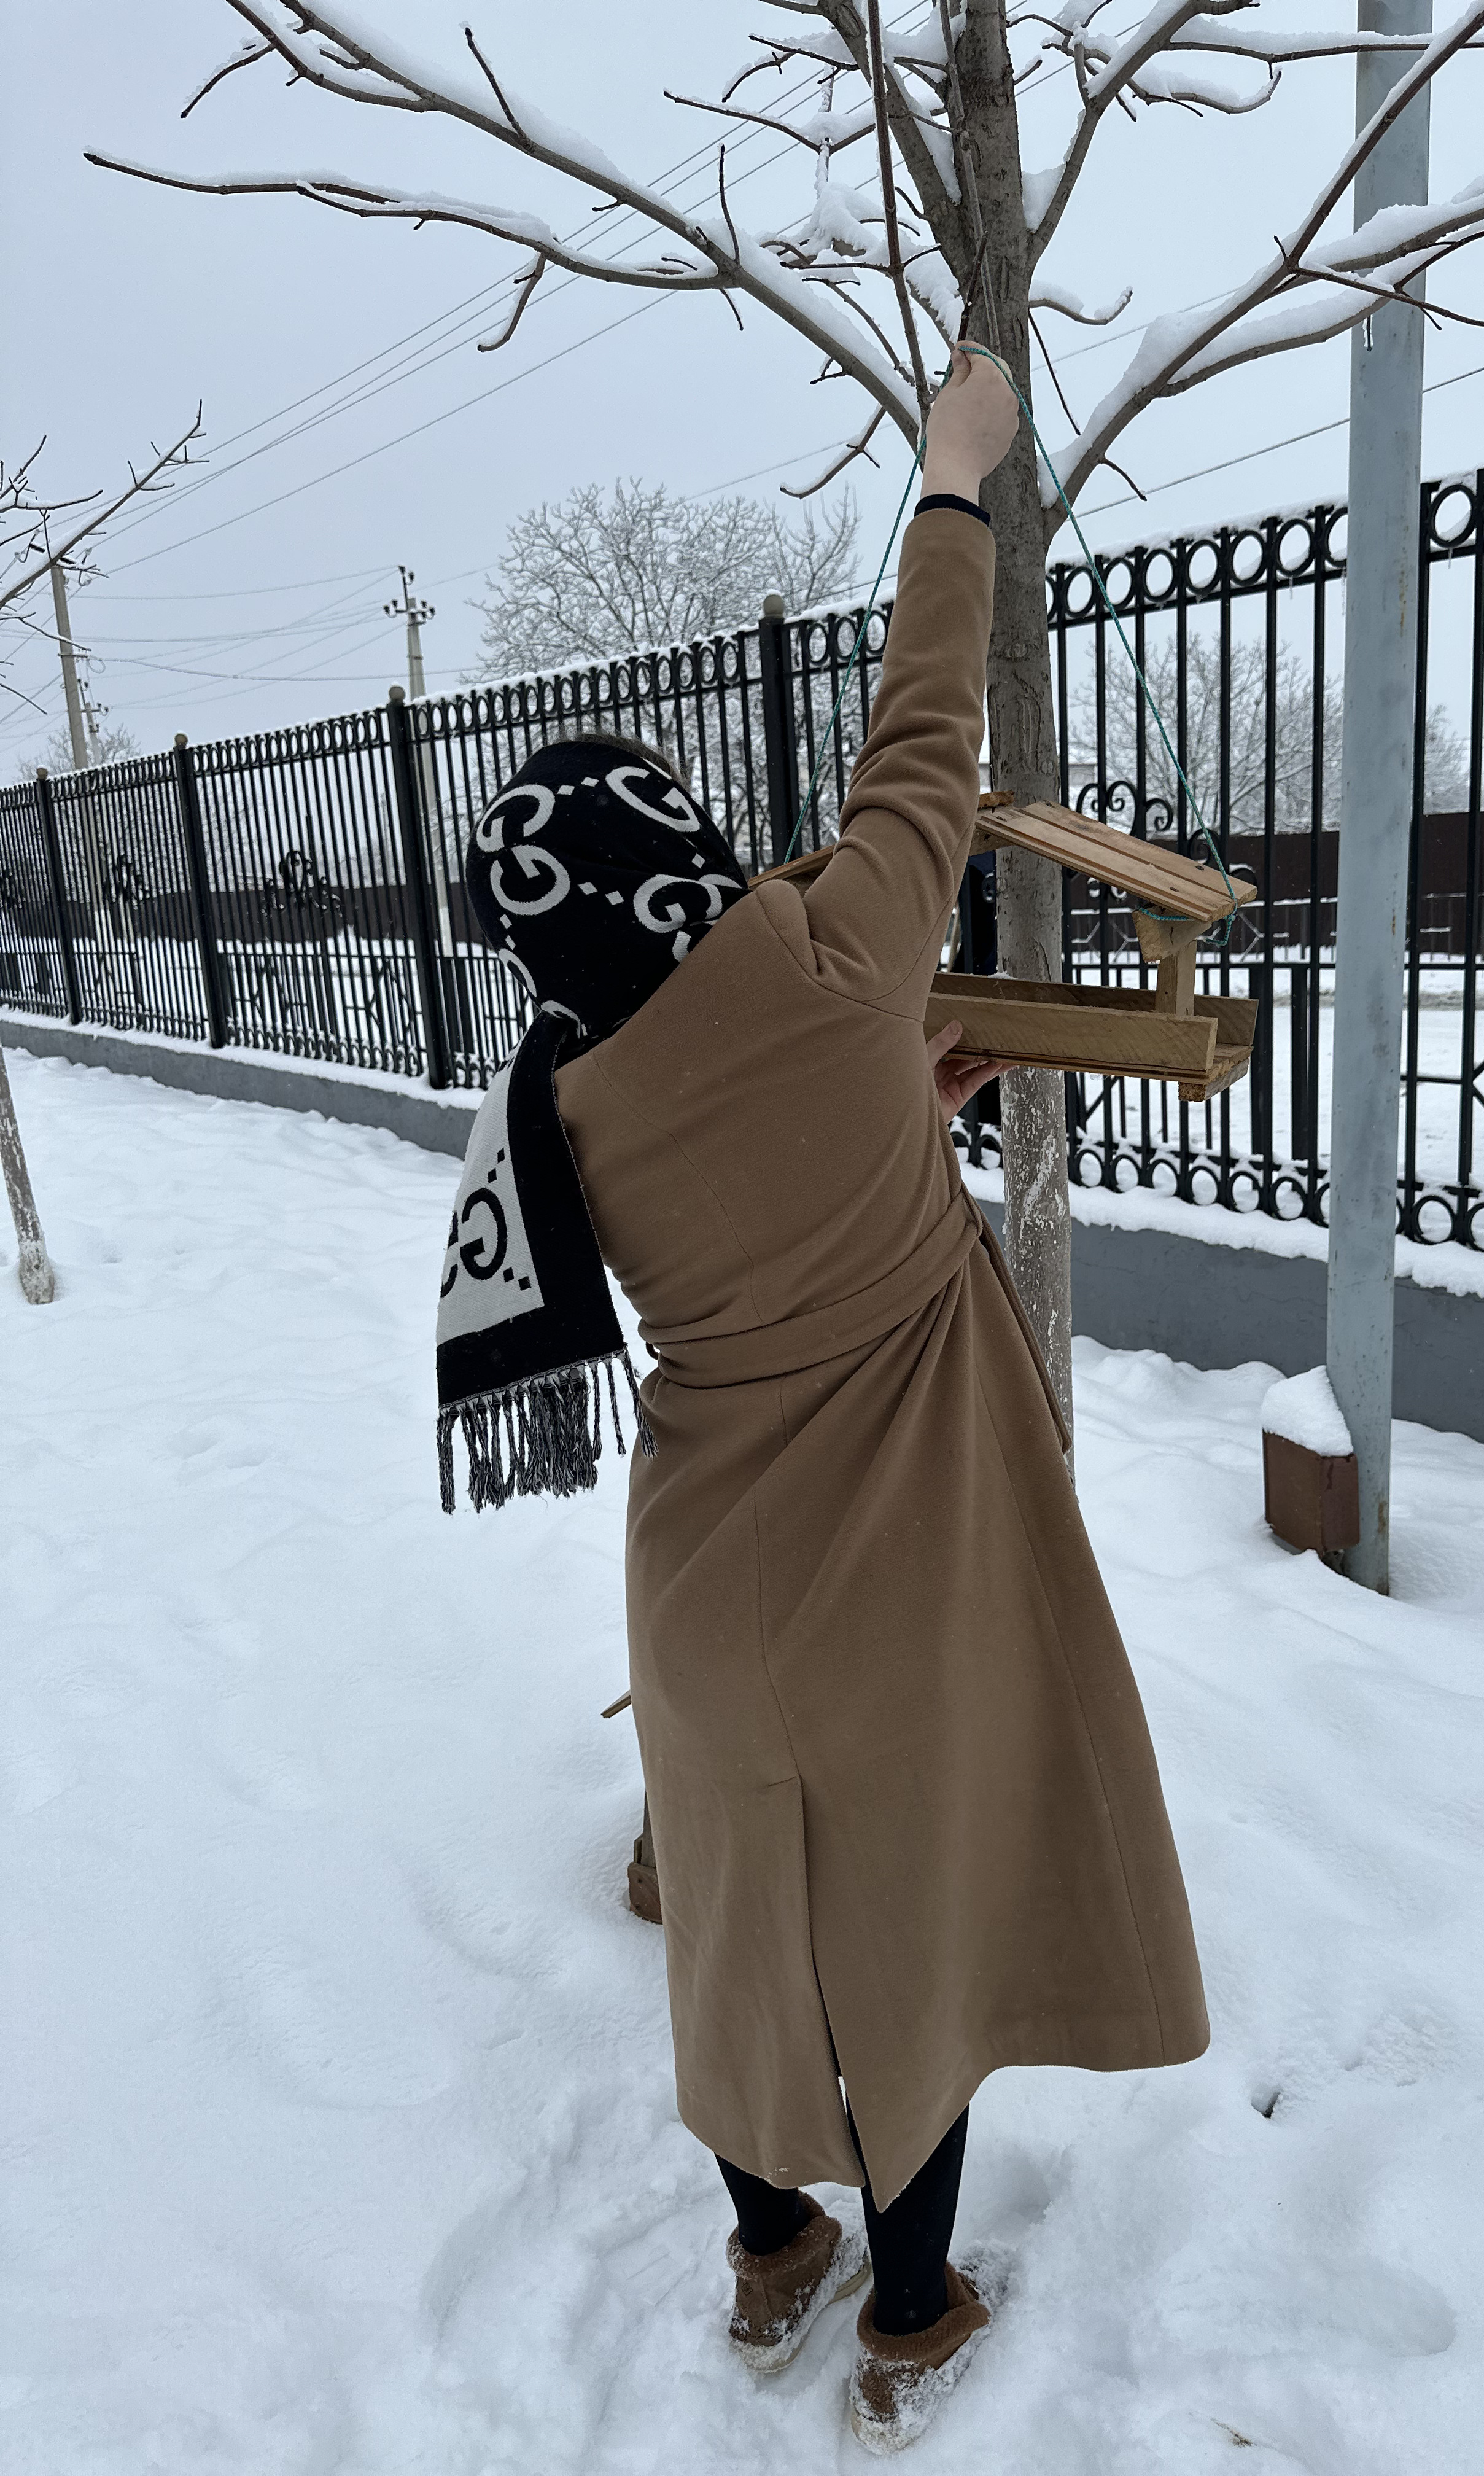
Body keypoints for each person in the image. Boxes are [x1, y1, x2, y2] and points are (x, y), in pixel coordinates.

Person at [437, 347, 1208, 2455]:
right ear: (681, 851)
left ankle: (771, 2246)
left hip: (702, 1578)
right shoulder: (831, 950)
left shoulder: (570, 1093)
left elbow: (752, 1208)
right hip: (896, 1566)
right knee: (906, 1923)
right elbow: (925, 730)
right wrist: (955, 478)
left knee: (742, 1925)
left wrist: (898, 1107)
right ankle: (914, 2310)